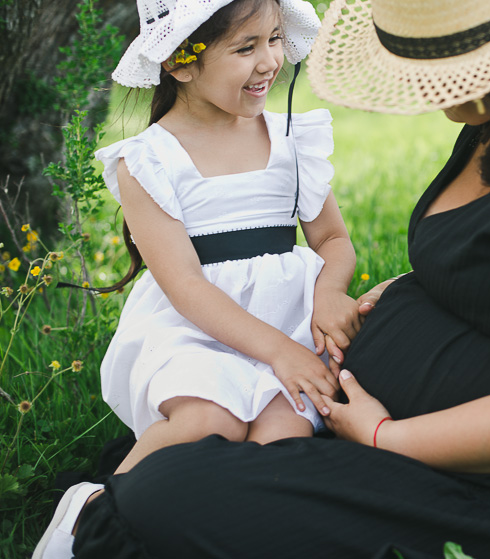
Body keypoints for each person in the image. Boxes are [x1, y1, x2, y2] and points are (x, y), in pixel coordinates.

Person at [68, 0, 490, 557]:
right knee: (185, 460)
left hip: (471, 472)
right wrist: (413, 292)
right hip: (353, 404)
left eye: (431, 62)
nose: (421, 88)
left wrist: (387, 436)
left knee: (160, 501)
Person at [34, 0, 358, 557]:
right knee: (210, 418)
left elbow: (333, 240)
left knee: (284, 437)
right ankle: (96, 511)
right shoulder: (149, 160)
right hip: (196, 330)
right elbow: (185, 287)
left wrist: (328, 293)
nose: (269, 61)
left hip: (287, 325)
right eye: (245, 47)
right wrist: (280, 352)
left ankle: (224, 531)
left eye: (276, 39)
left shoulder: (289, 141)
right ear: (181, 64)